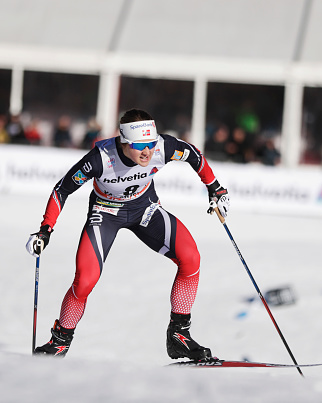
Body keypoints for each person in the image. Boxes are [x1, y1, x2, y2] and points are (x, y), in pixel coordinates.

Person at [25, 108, 230, 360]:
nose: (147, 152)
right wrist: (46, 229)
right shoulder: (100, 158)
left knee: (191, 259)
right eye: (140, 145)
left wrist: (215, 188)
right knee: (85, 280)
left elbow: (194, 155)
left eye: (151, 144)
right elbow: (62, 189)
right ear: (123, 141)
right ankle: (59, 342)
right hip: (105, 214)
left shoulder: (163, 147)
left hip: (145, 210)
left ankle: (179, 335)